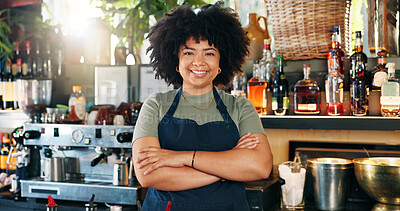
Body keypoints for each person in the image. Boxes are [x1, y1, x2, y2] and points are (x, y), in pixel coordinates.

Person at [132, 2, 273, 210]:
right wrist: (227, 169)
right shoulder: (156, 105)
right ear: (176, 62)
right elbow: (148, 174)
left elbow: (260, 167)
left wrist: (180, 157)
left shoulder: (240, 107)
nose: (199, 62)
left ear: (220, 63)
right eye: (189, 53)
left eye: (209, 53)